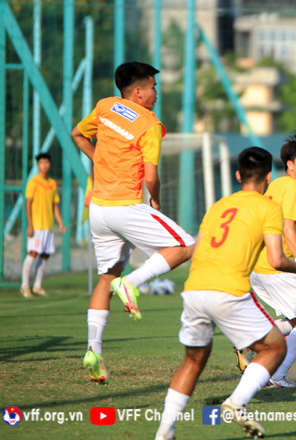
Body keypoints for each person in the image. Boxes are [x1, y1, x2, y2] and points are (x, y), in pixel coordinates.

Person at [153, 147, 296, 440]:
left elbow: (196, 248)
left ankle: (164, 432)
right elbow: (277, 259)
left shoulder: (219, 205)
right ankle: (237, 402)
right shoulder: (268, 207)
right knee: (275, 348)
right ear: (269, 176)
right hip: (229, 289)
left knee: (192, 362)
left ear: (238, 175)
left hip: (194, 289)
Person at [71, 62, 195, 384]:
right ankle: (132, 283)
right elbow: (152, 176)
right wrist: (156, 201)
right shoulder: (150, 124)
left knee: (105, 278)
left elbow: (78, 135)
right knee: (185, 245)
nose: (157, 93)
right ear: (138, 92)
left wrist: (98, 160)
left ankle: (93, 351)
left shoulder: (106, 107)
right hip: (125, 206)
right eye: (153, 87)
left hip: (98, 208)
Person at [247, 135, 296, 388]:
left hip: (258, 264)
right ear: (290, 164)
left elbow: (279, 223)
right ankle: (276, 375)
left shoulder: (278, 184)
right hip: (275, 265)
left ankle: (250, 342)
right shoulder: (291, 187)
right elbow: (288, 231)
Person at [20, 153, 65, 298]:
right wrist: (30, 225)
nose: (44, 165)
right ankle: (24, 286)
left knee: (45, 255)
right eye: (41, 163)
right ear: (37, 165)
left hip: (48, 226)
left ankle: (37, 286)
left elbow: (54, 205)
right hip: (37, 226)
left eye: (46, 162)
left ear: (49, 164)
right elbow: (28, 203)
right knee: (32, 253)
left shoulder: (52, 183)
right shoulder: (33, 182)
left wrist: (60, 222)